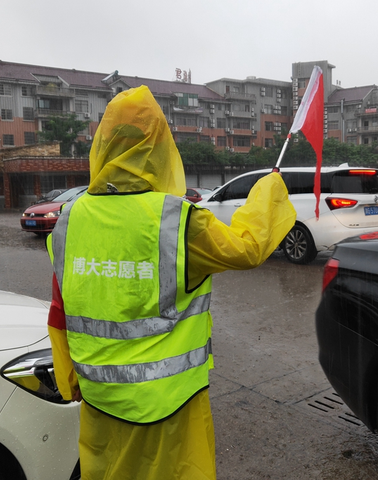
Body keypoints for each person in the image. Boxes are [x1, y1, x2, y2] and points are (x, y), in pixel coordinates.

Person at [46, 85, 296, 480]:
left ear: (103, 145)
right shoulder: (175, 221)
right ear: (160, 148)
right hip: (170, 410)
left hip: (99, 403)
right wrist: (268, 191)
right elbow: (246, 249)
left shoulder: (69, 218)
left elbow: (61, 308)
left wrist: (68, 377)